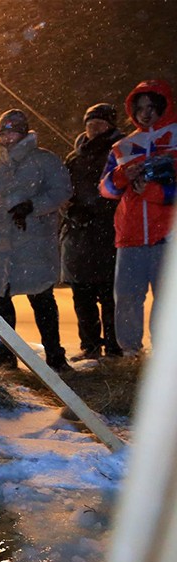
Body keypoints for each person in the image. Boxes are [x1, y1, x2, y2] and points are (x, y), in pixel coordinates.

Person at [0, 109, 73, 372]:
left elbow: (62, 190)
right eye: (4, 131)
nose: (8, 137)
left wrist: (32, 206)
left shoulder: (44, 160)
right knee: (0, 298)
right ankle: (6, 352)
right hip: (0, 243)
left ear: (24, 132)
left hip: (33, 241)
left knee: (41, 297)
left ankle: (55, 355)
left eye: (13, 131)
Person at [100, 79, 177, 357]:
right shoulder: (123, 145)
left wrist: (158, 192)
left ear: (164, 106)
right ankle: (130, 354)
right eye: (140, 107)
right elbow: (105, 189)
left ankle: (166, 354)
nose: (146, 113)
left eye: (152, 106)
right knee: (127, 298)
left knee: (168, 299)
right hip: (130, 235)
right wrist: (121, 176)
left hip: (167, 236)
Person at [60, 103, 124, 360]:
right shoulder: (74, 157)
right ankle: (89, 347)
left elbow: (121, 190)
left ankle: (115, 347)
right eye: (90, 123)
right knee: (82, 294)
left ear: (111, 125)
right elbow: (62, 191)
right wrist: (71, 210)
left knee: (110, 296)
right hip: (78, 236)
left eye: (100, 123)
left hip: (109, 233)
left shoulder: (121, 151)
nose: (94, 128)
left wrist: (98, 210)